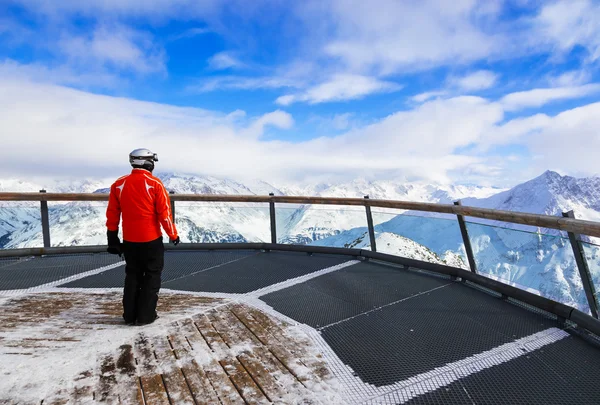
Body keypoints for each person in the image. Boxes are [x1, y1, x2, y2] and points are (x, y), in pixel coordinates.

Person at [105, 148, 180, 326]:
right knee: (152, 277)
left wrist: (112, 237)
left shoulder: (119, 184)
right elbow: (164, 214)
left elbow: (112, 213)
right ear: (148, 162)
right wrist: (173, 234)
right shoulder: (155, 184)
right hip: (151, 240)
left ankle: (129, 315)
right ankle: (146, 316)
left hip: (129, 241)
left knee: (132, 276)